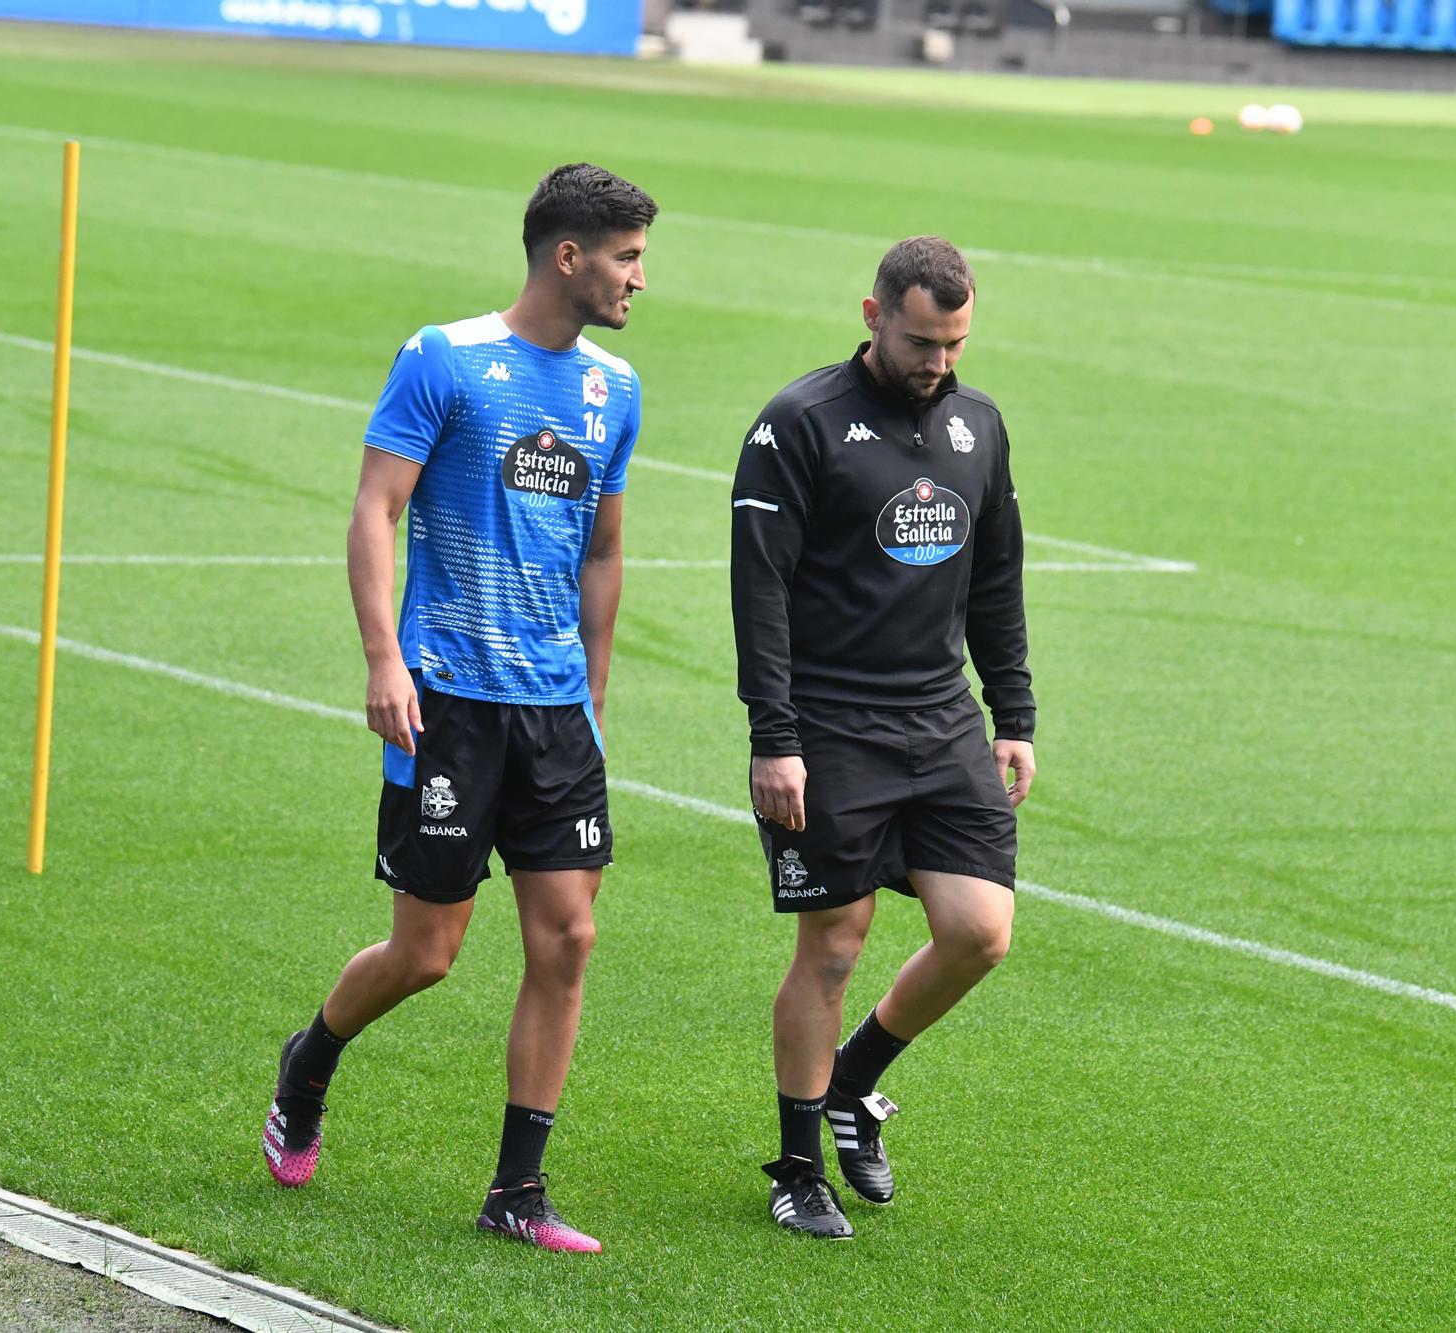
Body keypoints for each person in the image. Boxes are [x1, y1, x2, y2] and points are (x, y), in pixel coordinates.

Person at [260, 163, 655, 1255]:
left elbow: (605, 548)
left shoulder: (612, 388)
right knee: (428, 952)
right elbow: (375, 509)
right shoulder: (445, 358)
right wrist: (383, 659)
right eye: (624, 256)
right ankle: (311, 1060)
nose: (637, 278)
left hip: (555, 708)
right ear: (566, 256)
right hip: (447, 700)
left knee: (567, 938)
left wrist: (595, 693)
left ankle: (516, 1192)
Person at [730, 236, 1037, 1240]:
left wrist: (1013, 717)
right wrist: (773, 738)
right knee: (834, 942)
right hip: (827, 725)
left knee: (977, 932)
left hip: (938, 719)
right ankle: (794, 1164)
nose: (937, 361)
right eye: (919, 341)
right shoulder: (798, 425)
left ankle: (853, 1083)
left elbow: (995, 580)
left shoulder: (978, 425)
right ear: (870, 315)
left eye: (953, 342)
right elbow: (759, 590)